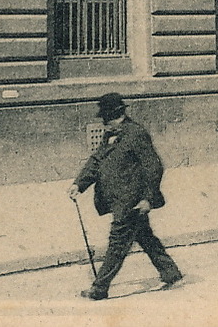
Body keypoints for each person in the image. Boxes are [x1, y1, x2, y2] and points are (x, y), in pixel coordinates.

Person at [70, 93, 183, 300]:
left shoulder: (136, 134)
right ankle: (170, 272)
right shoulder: (111, 134)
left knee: (117, 243)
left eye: (107, 119)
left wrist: (148, 199)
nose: (104, 124)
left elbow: (153, 167)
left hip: (131, 201)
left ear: (118, 115)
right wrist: (79, 184)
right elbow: (97, 160)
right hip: (118, 200)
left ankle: (100, 288)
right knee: (145, 237)